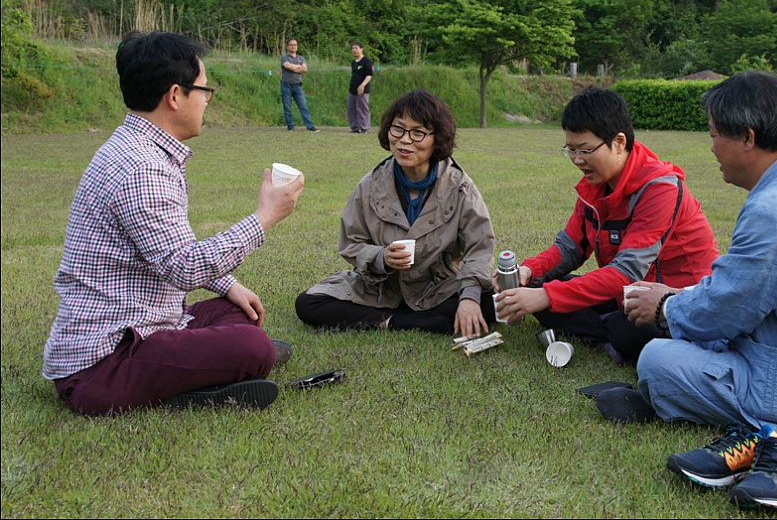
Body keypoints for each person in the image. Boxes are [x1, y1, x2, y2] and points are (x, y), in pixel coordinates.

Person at [606, 71, 777, 510]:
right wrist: (677, 299)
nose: (711, 148)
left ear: (747, 137)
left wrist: (665, 306)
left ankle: (776, 439)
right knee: (655, 334)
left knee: (655, 358)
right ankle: (751, 429)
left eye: (714, 135)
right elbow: (743, 291)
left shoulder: (774, 209)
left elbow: (723, 311)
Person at [42, 31, 304, 415]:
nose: (207, 101)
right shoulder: (142, 167)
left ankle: (208, 368)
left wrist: (226, 284)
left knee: (240, 312)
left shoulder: (140, 148)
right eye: (204, 90)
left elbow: (164, 249)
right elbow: (182, 266)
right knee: (255, 347)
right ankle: (208, 376)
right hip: (103, 365)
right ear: (176, 95)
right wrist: (265, 217)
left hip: (149, 322)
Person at [493, 88, 718, 364]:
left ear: (619, 142)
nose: (577, 160)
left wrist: (546, 296)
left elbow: (625, 271)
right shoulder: (596, 184)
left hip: (672, 302)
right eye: (571, 150)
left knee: (628, 329)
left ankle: (613, 333)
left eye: (585, 150)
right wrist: (528, 272)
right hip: (625, 295)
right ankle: (609, 326)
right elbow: (569, 248)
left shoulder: (660, 188)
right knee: (543, 286)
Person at [296, 89, 496, 338]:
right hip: (382, 290)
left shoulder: (459, 186)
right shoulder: (371, 185)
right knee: (308, 304)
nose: (404, 140)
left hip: (439, 289)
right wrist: (381, 257)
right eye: (398, 129)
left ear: (438, 138)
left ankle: (417, 317)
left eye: (418, 133)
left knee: (493, 302)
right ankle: (404, 322)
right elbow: (351, 243)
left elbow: (480, 249)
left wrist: (468, 298)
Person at [280, 38, 319, 132]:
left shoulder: (301, 58)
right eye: (291, 44)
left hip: (298, 86)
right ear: (287, 46)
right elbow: (287, 66)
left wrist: (294, 68)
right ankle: (290, 126)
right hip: (286, 85)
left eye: (295, 45)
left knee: (303, 106)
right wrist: (298, 67)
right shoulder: (284, 57)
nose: (293, 46)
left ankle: (310, 126)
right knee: (287, 107)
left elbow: (305, 69)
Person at [348, 41, 373, 133]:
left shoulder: (366, 61)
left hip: (363, 89)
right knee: (352, 109)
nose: (354, 50)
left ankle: (364, 127)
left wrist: (362, 85)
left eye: (356, 48)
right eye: (353, 48)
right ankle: (355, 127)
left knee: (362, 108)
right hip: (352, 89)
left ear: (361, 49)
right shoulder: (353, 62)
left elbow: (369, 75)